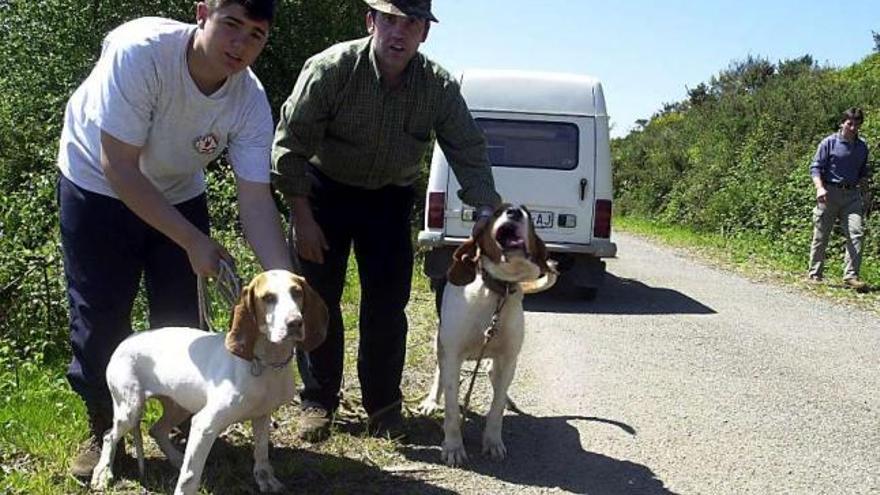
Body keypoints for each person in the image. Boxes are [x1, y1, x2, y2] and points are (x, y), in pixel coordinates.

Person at [57, 0, 290, 478]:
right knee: (100, 313)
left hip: (179, 188)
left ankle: (183, 421)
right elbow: (119, 166)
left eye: (255, 35)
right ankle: (105, 426)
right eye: (231, 25)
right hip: (96, 183)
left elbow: (256, 202)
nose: (240, 45)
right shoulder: (141, 52)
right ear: (202, 13)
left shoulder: (249, 100)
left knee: (181, 314)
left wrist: (288, 284)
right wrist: (192, 241)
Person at [271, 0, 501, 441]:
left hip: (390, 199)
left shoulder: (437, 87)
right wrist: (301, 216)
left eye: (411, 23)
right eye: (390, 20)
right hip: (324, 191)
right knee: (317, 299)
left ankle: (383, 407)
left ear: (424, 34)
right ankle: (318, 402)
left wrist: (485, 211)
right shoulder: (330, 69)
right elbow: (289, 147)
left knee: (388, 306)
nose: (399, 33)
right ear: (370, 21)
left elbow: (468, 151)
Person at [807, 107, 872, 290]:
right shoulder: (828, 143)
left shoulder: (862, 146)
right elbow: (815, 168)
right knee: (821, 234)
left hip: (852, 195)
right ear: (842, 123)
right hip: (829, 192)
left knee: (856, 232)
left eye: (857, 124)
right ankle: (815, 274)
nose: (852, 128)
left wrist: (866, 195)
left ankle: (851, 276)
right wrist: (819, 188)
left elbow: (863, 173)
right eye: (849, 123)